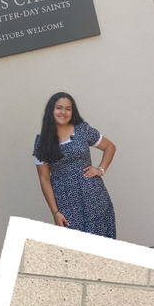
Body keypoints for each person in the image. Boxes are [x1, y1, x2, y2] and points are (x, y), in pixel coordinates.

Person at [33, 91, 117, 238]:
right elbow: (44, 179)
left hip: (95, 196)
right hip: (66, 204)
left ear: (72, 111)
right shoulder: (42, 142)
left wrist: (101, 169)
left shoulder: (82, 129)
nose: (63, 112)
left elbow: (110, 147)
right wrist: (55, 212)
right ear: (51, 110)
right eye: (59, 108)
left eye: (68, 108)